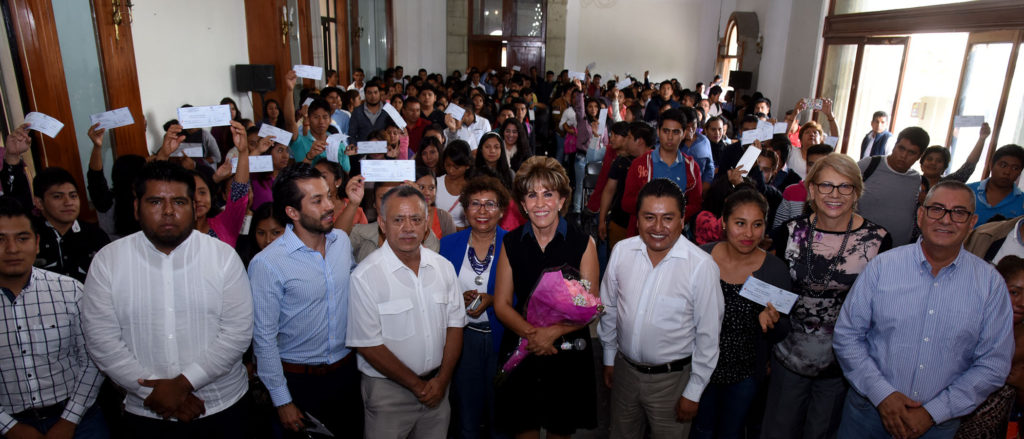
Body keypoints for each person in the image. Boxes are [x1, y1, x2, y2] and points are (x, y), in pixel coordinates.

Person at [82, 161, 253, 437]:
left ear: (193, 206)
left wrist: (183, 384)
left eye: (179, 201)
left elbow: (237, 332)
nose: (169, 211)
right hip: (147, 412)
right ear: (136, 206)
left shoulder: (222, 257)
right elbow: (101, 340)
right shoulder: (108, 261)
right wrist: (155, 392)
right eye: (155, 201)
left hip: (222, 406)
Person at [834, 180, 1014, 439]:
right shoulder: (882, 267)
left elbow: (993, 363)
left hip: (938, 426)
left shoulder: (990, 284)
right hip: (868, 413)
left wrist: (933, 412)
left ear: (972, 222)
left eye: (959, 212)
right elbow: (847, 337)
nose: (946, 219)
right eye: (937, 209)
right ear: (920, 215)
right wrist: (883, 395)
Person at [764, 153, 892, 439]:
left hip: (844, 364)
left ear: (856, 192)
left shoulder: (878, 240)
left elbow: (880, 308)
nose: (835, 194)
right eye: (826, 185)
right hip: (789, 355)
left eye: (845, 186)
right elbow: (781, 289)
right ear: (811, 190)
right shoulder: (792, 232)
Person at [598, 179, 724, 438]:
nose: (657, 227)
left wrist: (694, 391)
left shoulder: (701, 267)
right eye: (649, 217)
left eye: (668, 218)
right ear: (638, 219)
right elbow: (609, 309)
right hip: (624, 372)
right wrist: (609, 357)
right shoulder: (622, 252)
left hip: (672, 382)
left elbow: (708, 336)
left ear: (682, 220)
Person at [248, 163, 364, 438]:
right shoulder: (268, 263)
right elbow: (263, 338)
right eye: (317, 200)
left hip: (346, 373)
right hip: (299, 382)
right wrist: (283, 401)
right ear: (292, 212)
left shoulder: (341, 243)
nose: (329, 205)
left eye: (328, 195)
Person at [347, 185, 466, 438]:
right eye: (398, 220)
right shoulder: (365, 276)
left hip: (438, 388)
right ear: (382, 223)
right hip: (388, 395)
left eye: (416, 219)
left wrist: (442, 380)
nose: (408, 228)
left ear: (426, 224)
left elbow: (455, 325)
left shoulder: (443, 268)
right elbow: (368, 345)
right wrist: (418, 386)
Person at [494, 156, 599, 437]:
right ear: (523, 203)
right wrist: (533, 335)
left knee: (560, 429)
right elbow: (502, 304)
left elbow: (590, 305)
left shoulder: (582, 244)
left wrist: (553, 332)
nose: (540, 203)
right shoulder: (511, 243)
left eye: (548, 194)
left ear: (563, 200)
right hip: (521, 346)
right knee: (523, 427)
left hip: (566, 351)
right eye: (531, 195)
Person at [0, 196, 108, 439]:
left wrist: (69, 421)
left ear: (37, 243)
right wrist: (10, 427)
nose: (12, 249)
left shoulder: (70, 291)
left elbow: (93, 359)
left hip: (80, 419)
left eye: (22, 238)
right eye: (0, 240)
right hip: (10, 424)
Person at [691, 189, 792, 439]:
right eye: (740, 223)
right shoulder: (700, 258)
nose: (749, 234)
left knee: (731, 433)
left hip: (744, 375)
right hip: (698, 371)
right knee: (699, 431)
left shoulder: (775, 270)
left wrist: (773, 323)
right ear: (724, 223)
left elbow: (783, 331)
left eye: (757, 225)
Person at [439, 176, 510, 439]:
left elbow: (526, 298)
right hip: (462, 339)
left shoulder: (513, 244)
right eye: (475, 204)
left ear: (502, 210)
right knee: (466, 416)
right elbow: (438, 293)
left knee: (501, 416)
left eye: (490, 204)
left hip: (501, 338)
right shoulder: (448, 246)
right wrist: (459, 297)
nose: (482, 211)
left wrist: (493, 299)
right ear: (464, 209)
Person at [953, 255, 1024, 438]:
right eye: (1014, 292)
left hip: (991, 429)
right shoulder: (967, 324)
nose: (1022, 303)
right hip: (947, 421)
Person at [621, 109, 703, 236]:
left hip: (676, 235)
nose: (670, 137)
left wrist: (673, 216)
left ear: (684, 133)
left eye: (676, 132)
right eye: (666, 131)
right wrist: (653, 211)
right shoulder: (640, 164)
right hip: (642, 235)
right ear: (658, 132)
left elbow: (696, 204)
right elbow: (626, 203)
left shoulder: (691, 167)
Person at [30, 167, 109, 283]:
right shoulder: (29, 237)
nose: (68, 202)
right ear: (39, 203)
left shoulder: (95, 235)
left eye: (73, 196)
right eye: (58, 196)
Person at [857, 126, 929, 246]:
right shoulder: (868, 165)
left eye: (911, 152)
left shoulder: (917, 179)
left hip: (897, 251)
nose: (903, 155)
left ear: (919, 156)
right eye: (901, 148)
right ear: (895, 145)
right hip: (860, 247)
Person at [350, 181, 441, 263]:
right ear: (374, 203)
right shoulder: (361, 233)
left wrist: (419, 203)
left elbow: (433, 251)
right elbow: (338, 246)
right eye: (383, 197)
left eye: (398, 196)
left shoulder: (423, 235)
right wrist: (353, 204)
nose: (392, 202)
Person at [598, 121, 652, 249]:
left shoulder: (656, 163)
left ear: (639, 141)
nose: (626, 141)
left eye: (628, 137)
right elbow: (609, 190)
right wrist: (602, 220)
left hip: (648, 226)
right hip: (620, 221)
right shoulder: (621, 161)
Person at [773, 144, 834, 230]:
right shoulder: (791, 192)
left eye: (821, 165)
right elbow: (778, 228)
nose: (814, 169)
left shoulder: (836, 195)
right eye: (811, 164)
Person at [919, 123, 989, 197]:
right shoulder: (911, 180)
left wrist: (982, 139)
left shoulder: (948, 184)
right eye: (929, 159)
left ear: (944, 167)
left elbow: (969, 166)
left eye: (939, 161)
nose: (933, 163)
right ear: (921, 163)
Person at [967, 144, 1024, 226]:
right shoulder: (968, 191)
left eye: (1015, 168)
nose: (1007, 172)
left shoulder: (1022, 202)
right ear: (991, 165)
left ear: (1020, 172)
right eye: (1003, 165)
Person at [436, 141, 473, 229]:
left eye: (456, 167)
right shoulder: (435, 183)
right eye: (447, 165)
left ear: (467, 166)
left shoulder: (472, 190)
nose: (451, 170)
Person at [678, 107, 716, 192]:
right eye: (687, 126)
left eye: (693, 125)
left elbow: (709, 166)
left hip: (698, 189)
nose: (691, 129)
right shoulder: (673, 141)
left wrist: (706, 184)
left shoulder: (704, 141)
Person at [415, 166, 457, 239]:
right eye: (421, 187)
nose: (427, 193)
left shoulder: (445, 218)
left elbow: (451, 249)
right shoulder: (403, 216)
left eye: (431, 188)